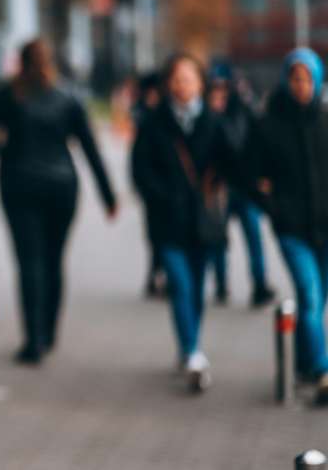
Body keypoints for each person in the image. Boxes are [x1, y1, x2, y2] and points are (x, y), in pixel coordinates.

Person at [0, 38, 117, 365]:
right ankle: (48, 333)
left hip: (18, 186)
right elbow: (90, 150)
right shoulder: (69, 98)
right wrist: (109, 196)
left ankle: (33, 340)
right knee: (53, 259)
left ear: (20, 62)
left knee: (29, 261)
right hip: (62, 187)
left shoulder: (5, 96)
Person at [131, 53, 237, 393]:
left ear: (201, 84)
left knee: (196, 287)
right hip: (167, 220)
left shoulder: (214, 121)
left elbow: (232, 160)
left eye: (189, 79)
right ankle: (193, 352)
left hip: (203, 221)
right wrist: (160, 195)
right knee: (179, 284)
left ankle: (188, 344)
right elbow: (139, 169)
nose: (182, 85)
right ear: (167, 84)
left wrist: (220, 180)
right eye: (176, 79)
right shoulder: (154, 122)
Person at [248, 48, 328, 404]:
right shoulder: (268, 124)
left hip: (326, 228)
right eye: (295, 78)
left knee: (317, 302)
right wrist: (274, 209)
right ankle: (323, 370)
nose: (302, 86)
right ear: (285, 80)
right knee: (308, 294)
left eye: (308, 78)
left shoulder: (325, 120)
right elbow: (250, 174)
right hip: (292, 229)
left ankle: (302, 364)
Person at [206, 61, 274, 307]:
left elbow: (247, 143)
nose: (219, 93)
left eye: (223, 88)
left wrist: (262, 177)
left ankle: (259, 285)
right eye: (215, 88)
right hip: (219, 187)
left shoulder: (243, 111)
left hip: (245, 187)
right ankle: (221, 284)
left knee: (254, 238)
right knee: (218, 239)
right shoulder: (207, 115)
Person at [132, 71, 169, 299]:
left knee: (165, 235)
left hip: (171, 187)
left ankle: (161, 274)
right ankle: (155, 274)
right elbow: (139, 160)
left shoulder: (166, 116)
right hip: (153, 188)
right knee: (155, 233)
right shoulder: (145, 117)